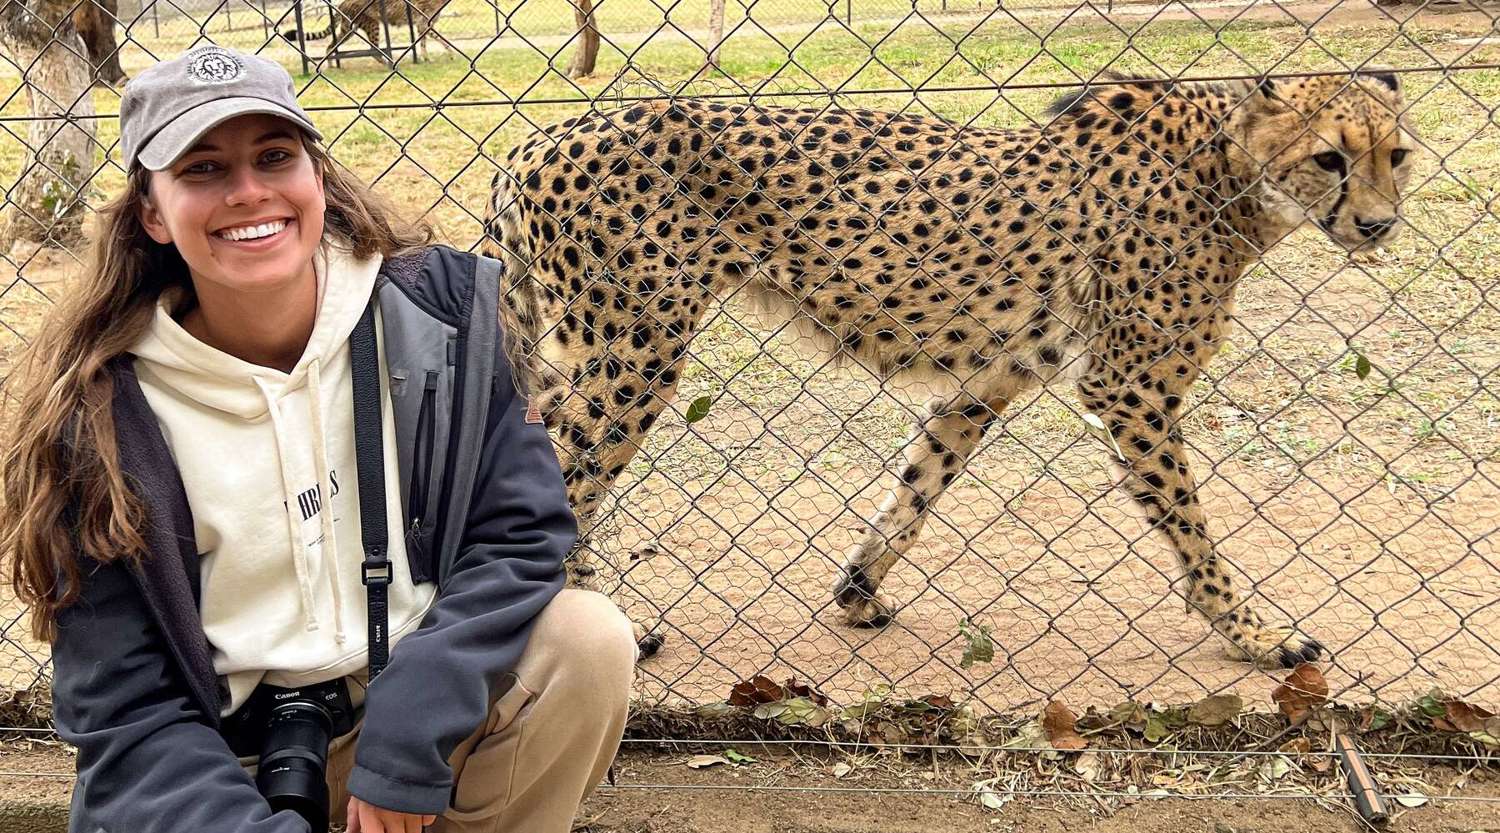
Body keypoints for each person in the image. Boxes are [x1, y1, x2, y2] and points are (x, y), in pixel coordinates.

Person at [0, 44, 636, 833]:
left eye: (275, 156)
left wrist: (412, 728)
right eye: (202, 168)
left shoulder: (438, 320)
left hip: (415, 722)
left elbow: (518, 533)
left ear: (318, 178)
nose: (248, 191)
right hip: (215, 760)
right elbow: (125, 707)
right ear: (151, 214)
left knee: (586, 639)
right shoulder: (96, 413)